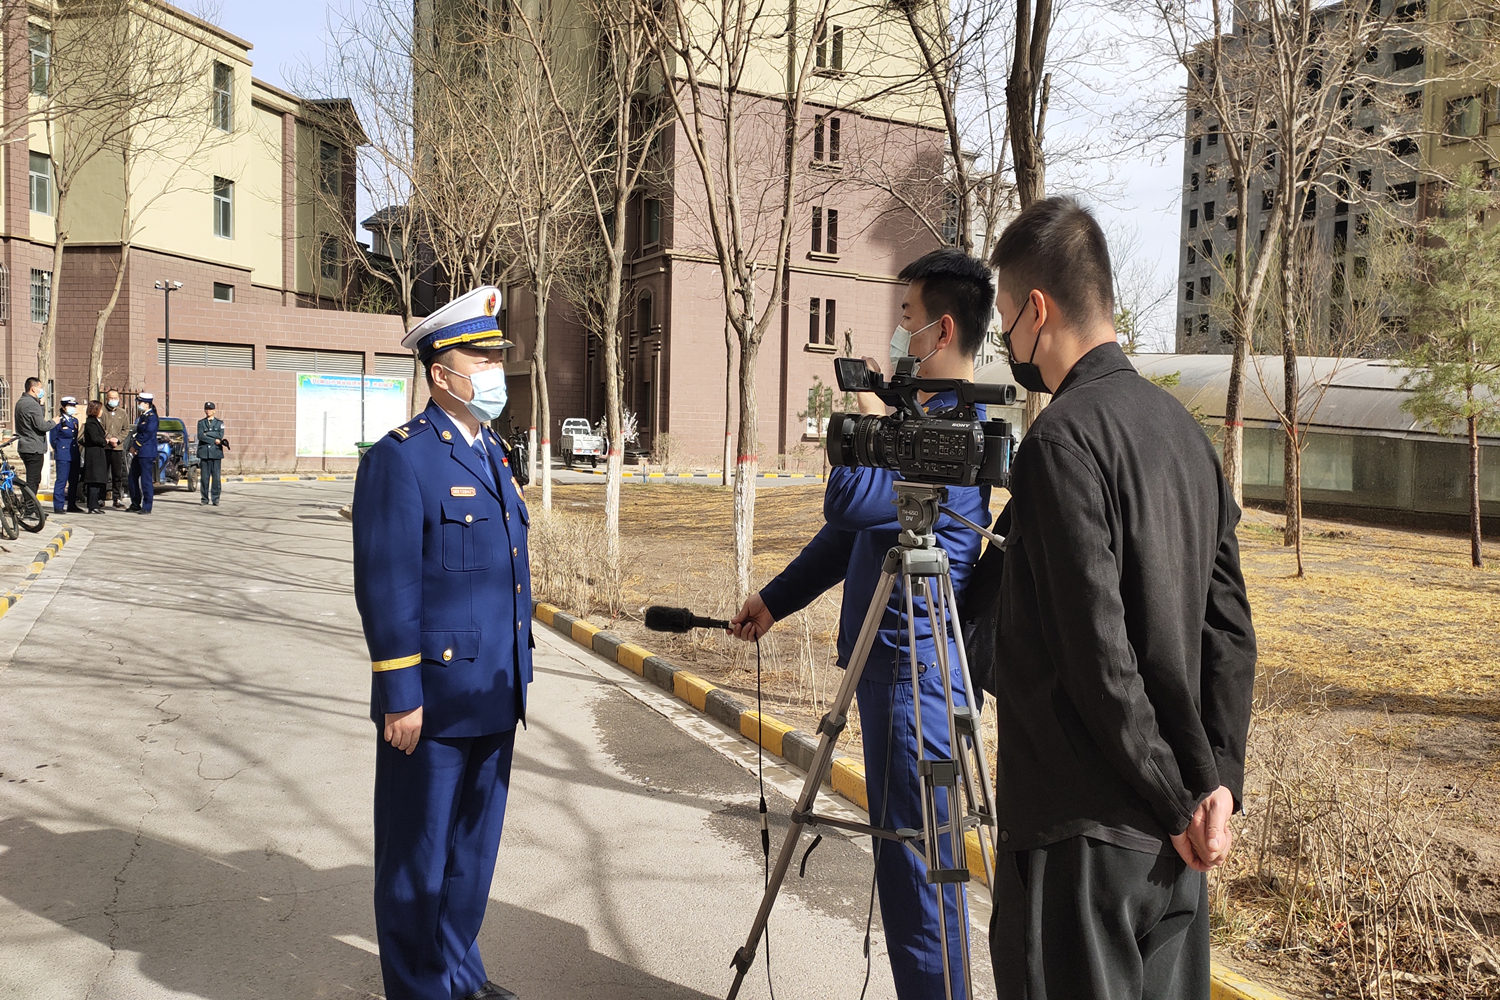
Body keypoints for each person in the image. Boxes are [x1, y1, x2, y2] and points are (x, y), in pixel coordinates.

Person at [971, 196, 1257, 1000]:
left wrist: (1177, 802)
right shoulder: (1186, 437)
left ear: (1037, 308)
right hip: (1181, 845)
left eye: (1005, 321)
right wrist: (1216, 790)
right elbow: (1231, 636)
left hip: (1083, 838)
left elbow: (1099, 656)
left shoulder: (1060, 442)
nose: (1008, 344)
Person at [729, 249, 995, 999]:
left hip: (918, 682)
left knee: (919, 875)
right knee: (899, 864)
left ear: (941, 331)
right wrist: (775, 599)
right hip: (883, 673)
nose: (897, 334)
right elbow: (853, 537)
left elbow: (845, 501)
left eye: (906, 318)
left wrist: (869, 421)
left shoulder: (954, 437)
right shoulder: (922, 424)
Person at [351, 285, 532, 1000]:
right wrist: (400, 693)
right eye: (479, 357)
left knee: (471, 858)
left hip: (493, 690)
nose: (493, 371)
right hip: (429, 701)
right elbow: (386, 583)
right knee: (416, 865)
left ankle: (458, 974)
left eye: (497, 357)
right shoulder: (404, 459)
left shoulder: (492, 452)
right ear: (439, 372)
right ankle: (419, 989)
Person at [13, 378, 54, 494]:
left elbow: (35, 418)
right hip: (33, 447)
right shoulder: (31, 404)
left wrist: (40, 405)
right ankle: (30, 508)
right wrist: (54, 422)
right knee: (33, 481)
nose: (42, 390)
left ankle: (32, 508)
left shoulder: (21, 402)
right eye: (40, 387)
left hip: (25, 446)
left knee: (33, 479)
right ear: (33, 388)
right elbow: (41, 426)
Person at [48, 396, 83, 514]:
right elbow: (53, 439)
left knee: (73, 480)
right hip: (63, 454)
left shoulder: (74, 421)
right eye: (70, 406)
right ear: (63, 407)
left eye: (74, 406)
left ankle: (72, 504)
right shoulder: (58, 421)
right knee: (61, 480)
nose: (72, 408)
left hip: (73, 453)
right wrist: (59, 450)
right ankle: (58, 505)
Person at [127, 392, 159, 514]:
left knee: (145, 480)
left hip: (146, 452)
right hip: (140, 452)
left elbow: (147, 434)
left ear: (147, 404)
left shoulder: (152, 417)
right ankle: (135, 503)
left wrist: (135, 446)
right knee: (132, 477)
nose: (139, 405)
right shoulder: (143, 417)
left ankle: (147, 506)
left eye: (140, 402)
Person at [101, 390, 130, 508]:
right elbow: (100, 427)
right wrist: (108, 438)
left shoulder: (122, 413)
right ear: (106, 399)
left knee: (117, 475)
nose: (113, 400)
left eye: (115, 398)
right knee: (103, 474)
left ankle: (117, 498)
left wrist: (117, 439)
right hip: (105, 447)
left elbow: (126, 429)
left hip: (117, 448)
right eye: (111, 398)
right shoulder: (102, 412)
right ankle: (101, 498)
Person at [196, 402, 228, 506]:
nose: (208, 411)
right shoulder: (201, 423)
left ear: (214, 410)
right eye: (207, 409)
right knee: (204, 478)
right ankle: (204, 499)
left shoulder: (220, 423)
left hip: (216, 453)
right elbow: (200, 436)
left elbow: (220, 434)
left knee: (216, 478)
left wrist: (207, 434)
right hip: (204, 453)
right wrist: (214, 440)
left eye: (210, 409)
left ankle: (216, 499)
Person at [81, 401, 109, 514]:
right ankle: (92, 505)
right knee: (94, 480)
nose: (101, 412)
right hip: (94, 455)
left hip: (98, 454)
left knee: (98, 481)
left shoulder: (97, 422)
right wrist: (105, 441)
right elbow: (94, 438)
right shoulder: (91, 423)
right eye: (100, 409)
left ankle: (95, 504)